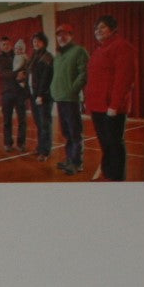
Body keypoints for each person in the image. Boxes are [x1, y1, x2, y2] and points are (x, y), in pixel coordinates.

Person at [85, 14, 139, 180]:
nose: (98, 31)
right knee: (105, 143)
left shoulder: (122, 46)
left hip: (111, 108)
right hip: (97, 106)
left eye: (102, 27)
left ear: (113, 28)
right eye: (96, 28)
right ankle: (108, 171)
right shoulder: (98, 50)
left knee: (114, 144)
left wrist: (114, 106)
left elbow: (123, 79)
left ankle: (116, 177)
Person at [50, 23, 90, 174]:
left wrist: (73, 90)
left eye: (65, 34)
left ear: (71, 36)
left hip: (72, 99)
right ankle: (69, 159)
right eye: (59, 35)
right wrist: (54, 91)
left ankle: (77, 163)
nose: (61, 37)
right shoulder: (58, 56)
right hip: (60, 98)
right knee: (66, 133)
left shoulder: (79, 51)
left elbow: (84, 74)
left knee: (75, 132)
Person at [27, 32, 55, 161]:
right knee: (39, 124)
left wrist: (40, 95)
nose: (35, 43)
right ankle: (40, 147)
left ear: (44, 42)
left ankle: (46, 151)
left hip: (43, 96)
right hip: (34, 95)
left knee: (45, 124)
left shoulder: (48, 57)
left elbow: (46, 78)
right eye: (33, 41)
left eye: (38, 41)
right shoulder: (34, 55)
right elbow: (30, 73)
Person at [2, 38, 31, 150]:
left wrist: (24, 74)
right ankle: (8, 143)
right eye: (16, 48)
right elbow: (4, 73)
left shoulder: (26, 58)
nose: (18, 50)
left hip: (20, 93)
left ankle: (21, 143)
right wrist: (16, 74)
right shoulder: (9, 58)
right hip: (8, 93)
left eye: (20, 48)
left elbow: (29, 70)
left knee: (22, 119)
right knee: (7, 120)